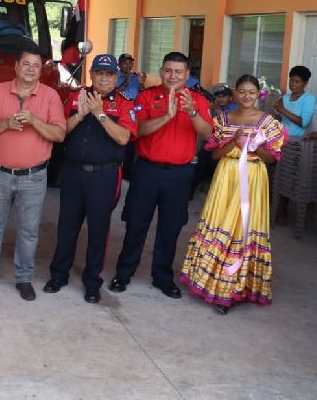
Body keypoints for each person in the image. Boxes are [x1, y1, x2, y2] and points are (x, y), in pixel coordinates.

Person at [108, 52, 213, 299]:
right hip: (147, 171)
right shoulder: (146, 96)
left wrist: (192, 113)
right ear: (161, 71)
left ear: (187, 75)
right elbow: (138, 130)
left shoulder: (197, 100)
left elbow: (208, 135)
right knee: (136, 224)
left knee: (171, 227)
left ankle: (163, 277)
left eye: (178, 72)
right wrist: (166, 115)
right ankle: (123, 273)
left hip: (180, 174)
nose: (173, 76)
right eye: (168, 70)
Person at [181, 75, 284, 314]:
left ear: (259, 94)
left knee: (245, 229)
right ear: (235, 93)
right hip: (226, 178)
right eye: (242, 91)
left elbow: (271, 159)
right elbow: (215, 156)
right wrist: (234, 142)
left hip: (254, 178)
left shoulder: (268, 122)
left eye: (251, 92)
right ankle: (217, 286)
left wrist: (254, 146)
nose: (247, 96)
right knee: (223, 225)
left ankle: (241, 286)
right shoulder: (223, 119)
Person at [0, 49, 67, 301]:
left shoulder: (49, 96)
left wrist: (34, 120)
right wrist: (6, 124)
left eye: (35, 65)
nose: (30, 69)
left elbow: (59, 134)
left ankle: (23, 277)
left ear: (41, 70)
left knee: (28, 231)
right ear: (15, 66)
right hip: (0, 173)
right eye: (25, 64)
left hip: (34, 177)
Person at [43, 55, 136, 304]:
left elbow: (124, 138)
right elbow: (60, 132)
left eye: (109, 74)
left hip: (104, 175)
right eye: (99, 73)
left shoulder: (125, 103)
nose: (103, 78)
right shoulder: (75, 97)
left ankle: (92, 282)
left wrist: (100, 114)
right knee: (67, 227)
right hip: (73, 173)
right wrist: (82, 114)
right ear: (91, 75)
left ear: (116, 78)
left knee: (99, 230)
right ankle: (59, 275)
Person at [273, 66, 315, 141]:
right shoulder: (285, 97)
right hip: (279, 136)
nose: (293, 84)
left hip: (296, 140)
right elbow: (280, 119)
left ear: (305, 83)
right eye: (291, 81)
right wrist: (276, 112)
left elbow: (303, 123)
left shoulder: (309, 99)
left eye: (297, 82)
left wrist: (282, 110)